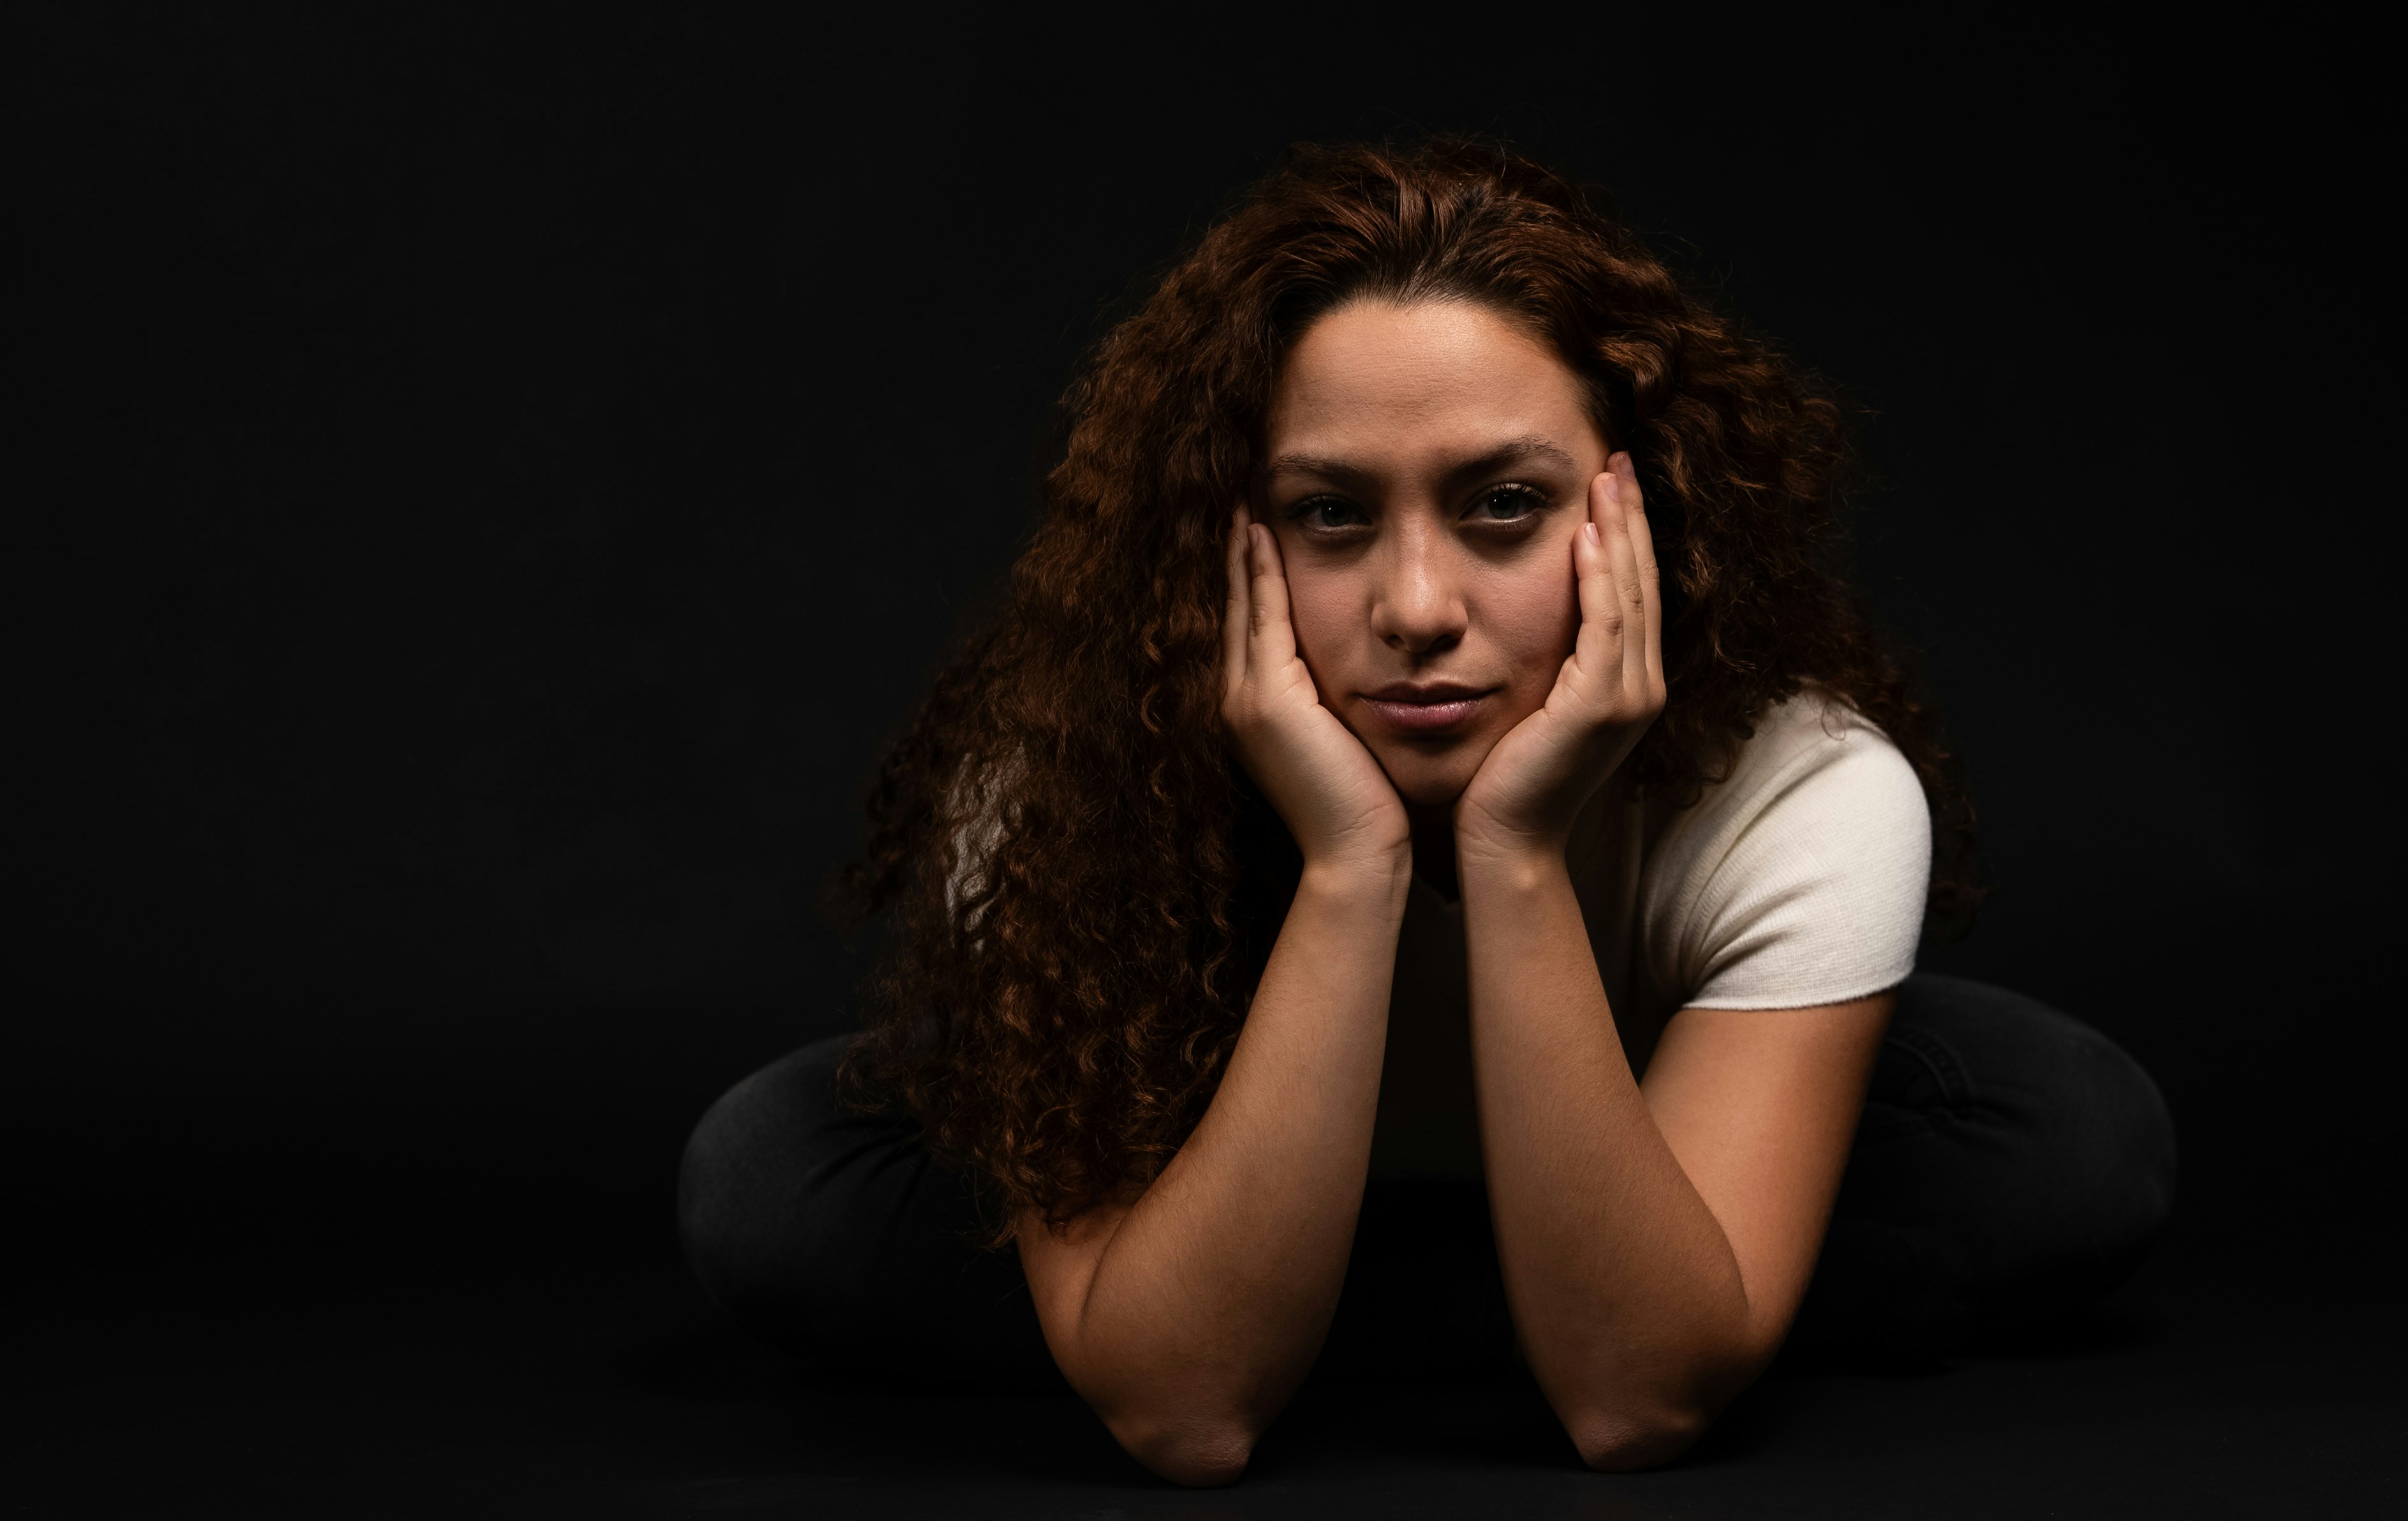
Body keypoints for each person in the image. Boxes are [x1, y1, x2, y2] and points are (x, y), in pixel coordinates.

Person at [677, 140, 2175, 1487]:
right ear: (1225, 537)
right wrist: (1349, 862)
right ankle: (1585, 1294)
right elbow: (1185, 1415)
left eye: (1502, 505)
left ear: (1636, 506)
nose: (1415, 608)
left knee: (2061, 1132)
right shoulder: (1062, 784)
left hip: (1617, 1149)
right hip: (1284, 1173)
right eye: (1331, 514)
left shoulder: (1805, 788)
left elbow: (1630, 1408)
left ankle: (1335, 1302)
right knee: (777, 1173)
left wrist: (1514, 855)